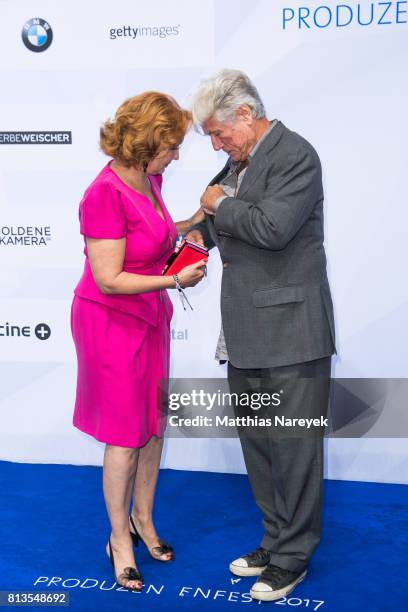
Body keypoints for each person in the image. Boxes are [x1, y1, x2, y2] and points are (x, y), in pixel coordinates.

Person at [187, 69, 336, 602]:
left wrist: (218, 205)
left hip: (293, 332)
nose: (216, 144)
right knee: (260, 449)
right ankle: (275, 541)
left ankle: (294, 557)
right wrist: (167, 237)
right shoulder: (240, 159)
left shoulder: (297, 155)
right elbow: (208, 222)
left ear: (245, 115)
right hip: (246, 331)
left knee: (294, 450)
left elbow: (270, 227)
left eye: (219, 134)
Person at [71, 92, 207, 591]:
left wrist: (195, 219)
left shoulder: (150, 178)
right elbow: (108, 277)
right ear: (148, 142)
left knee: (152, 425)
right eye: (171, 146)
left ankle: (144, 520)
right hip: (110, 321)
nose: (176, 156)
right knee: (125, 435)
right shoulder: (103, 193)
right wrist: (175, 281)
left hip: (150, 315)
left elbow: (152, 237)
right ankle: (118, 538)